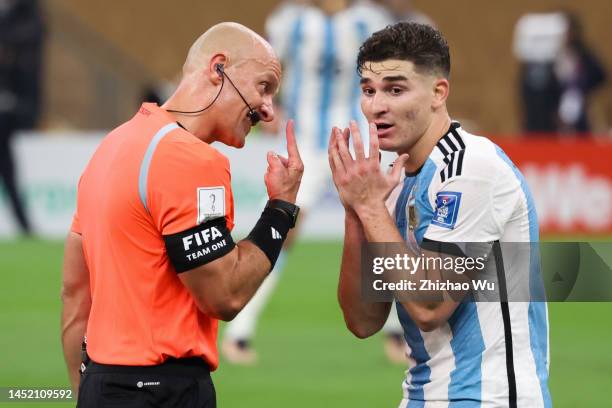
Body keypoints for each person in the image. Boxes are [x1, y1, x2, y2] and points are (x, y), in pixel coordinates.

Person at [61, 22, 303, 407]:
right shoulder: (190, 159)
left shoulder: (113, 145)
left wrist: (87, 393)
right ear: (218, 67)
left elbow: (75, 298)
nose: (268, 111)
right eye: (264, 87)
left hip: (101, 384)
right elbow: (224, 295)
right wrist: (281, 208)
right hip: (166, 391)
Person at [329, 22, 551, 406]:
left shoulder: (470, 169)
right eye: (368, 91)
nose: (376, 105)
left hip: (488, 397)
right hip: (423, 396)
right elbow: (364, 321)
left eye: (395, 90)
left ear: (438, 92)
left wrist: (370, 207)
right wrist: (355, 211)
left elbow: (430, 304)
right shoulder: (395, 183)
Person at [221, 0, 409, 365]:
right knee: (281, 229)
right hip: (305, 141)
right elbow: (267, 67)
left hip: (356, 141)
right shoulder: (291, 21)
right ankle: (240, 330)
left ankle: (396, 331)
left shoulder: (369, 20)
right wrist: (267, 105)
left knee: (381, 227)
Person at [0, 0, 43, 235]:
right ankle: (25, 226)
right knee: (9, 174)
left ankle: (25, 226)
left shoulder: (27, 17)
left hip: (6, 118)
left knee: (9, 174)